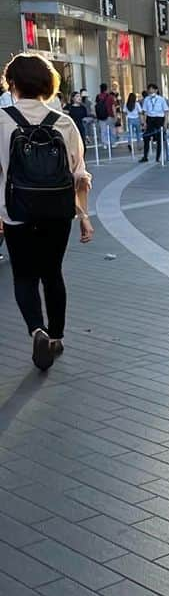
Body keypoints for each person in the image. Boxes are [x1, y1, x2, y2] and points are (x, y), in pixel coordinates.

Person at [0, 52, 93, 370]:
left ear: (12, 84)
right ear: (48, 84)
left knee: (24, 275)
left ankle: (36, 330)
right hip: (58, 211)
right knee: (52, 273)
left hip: (15, 212)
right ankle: (55, 337)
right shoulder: (64, 122)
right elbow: (80, 175)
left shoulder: (0, 120)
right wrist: (84, 216)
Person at [140, 83, 168, 162]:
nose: (151, 91)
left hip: (159, 119)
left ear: (156, 90)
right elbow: (144, 111)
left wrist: (165, 122)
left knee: (159, 139)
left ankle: (158, 157)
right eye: (150, 90)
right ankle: (145, 156)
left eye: (153, 89)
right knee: (146, 137)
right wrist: (144, 122)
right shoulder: (146, 99)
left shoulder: (161, 99)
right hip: (150, 119)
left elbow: (166, 111)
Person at [94, 82, 116, 147]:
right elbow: (113, 107)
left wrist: (97, 115)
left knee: (103, 130)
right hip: (110, 115)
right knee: (112, 129)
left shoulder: (98, 96)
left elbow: (96, 106)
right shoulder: (110, 97)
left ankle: (105, 144)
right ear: (107, 89)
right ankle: (113, 143)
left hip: (101, 116)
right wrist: (115, 116)